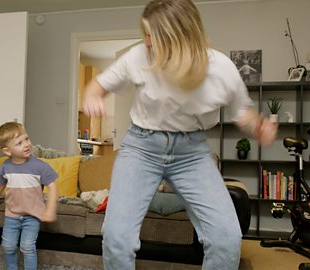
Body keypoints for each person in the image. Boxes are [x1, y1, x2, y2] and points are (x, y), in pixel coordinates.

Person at [82, 1, 278, 269]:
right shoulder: (139, 56)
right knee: (118, 237)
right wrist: (91, 96)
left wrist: (258, 127)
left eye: (153, 35)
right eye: (146, 33)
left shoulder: (220, 68)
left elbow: (242, 112)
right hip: (141, 149)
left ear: (180, 36)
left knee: (226, 238)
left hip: (191, 154)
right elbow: (97, 85)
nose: (146, 41)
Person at [0, 122, 58, 270]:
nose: (26, 144)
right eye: (19, 143)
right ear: (7, 151)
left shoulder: (40, 166)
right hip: (12, 215)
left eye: (27, 139)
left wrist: (50, 209)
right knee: (8, 246)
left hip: (33, 215)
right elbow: (0, 185)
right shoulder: (5, 167)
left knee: (27, 246)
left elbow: (53, 186)